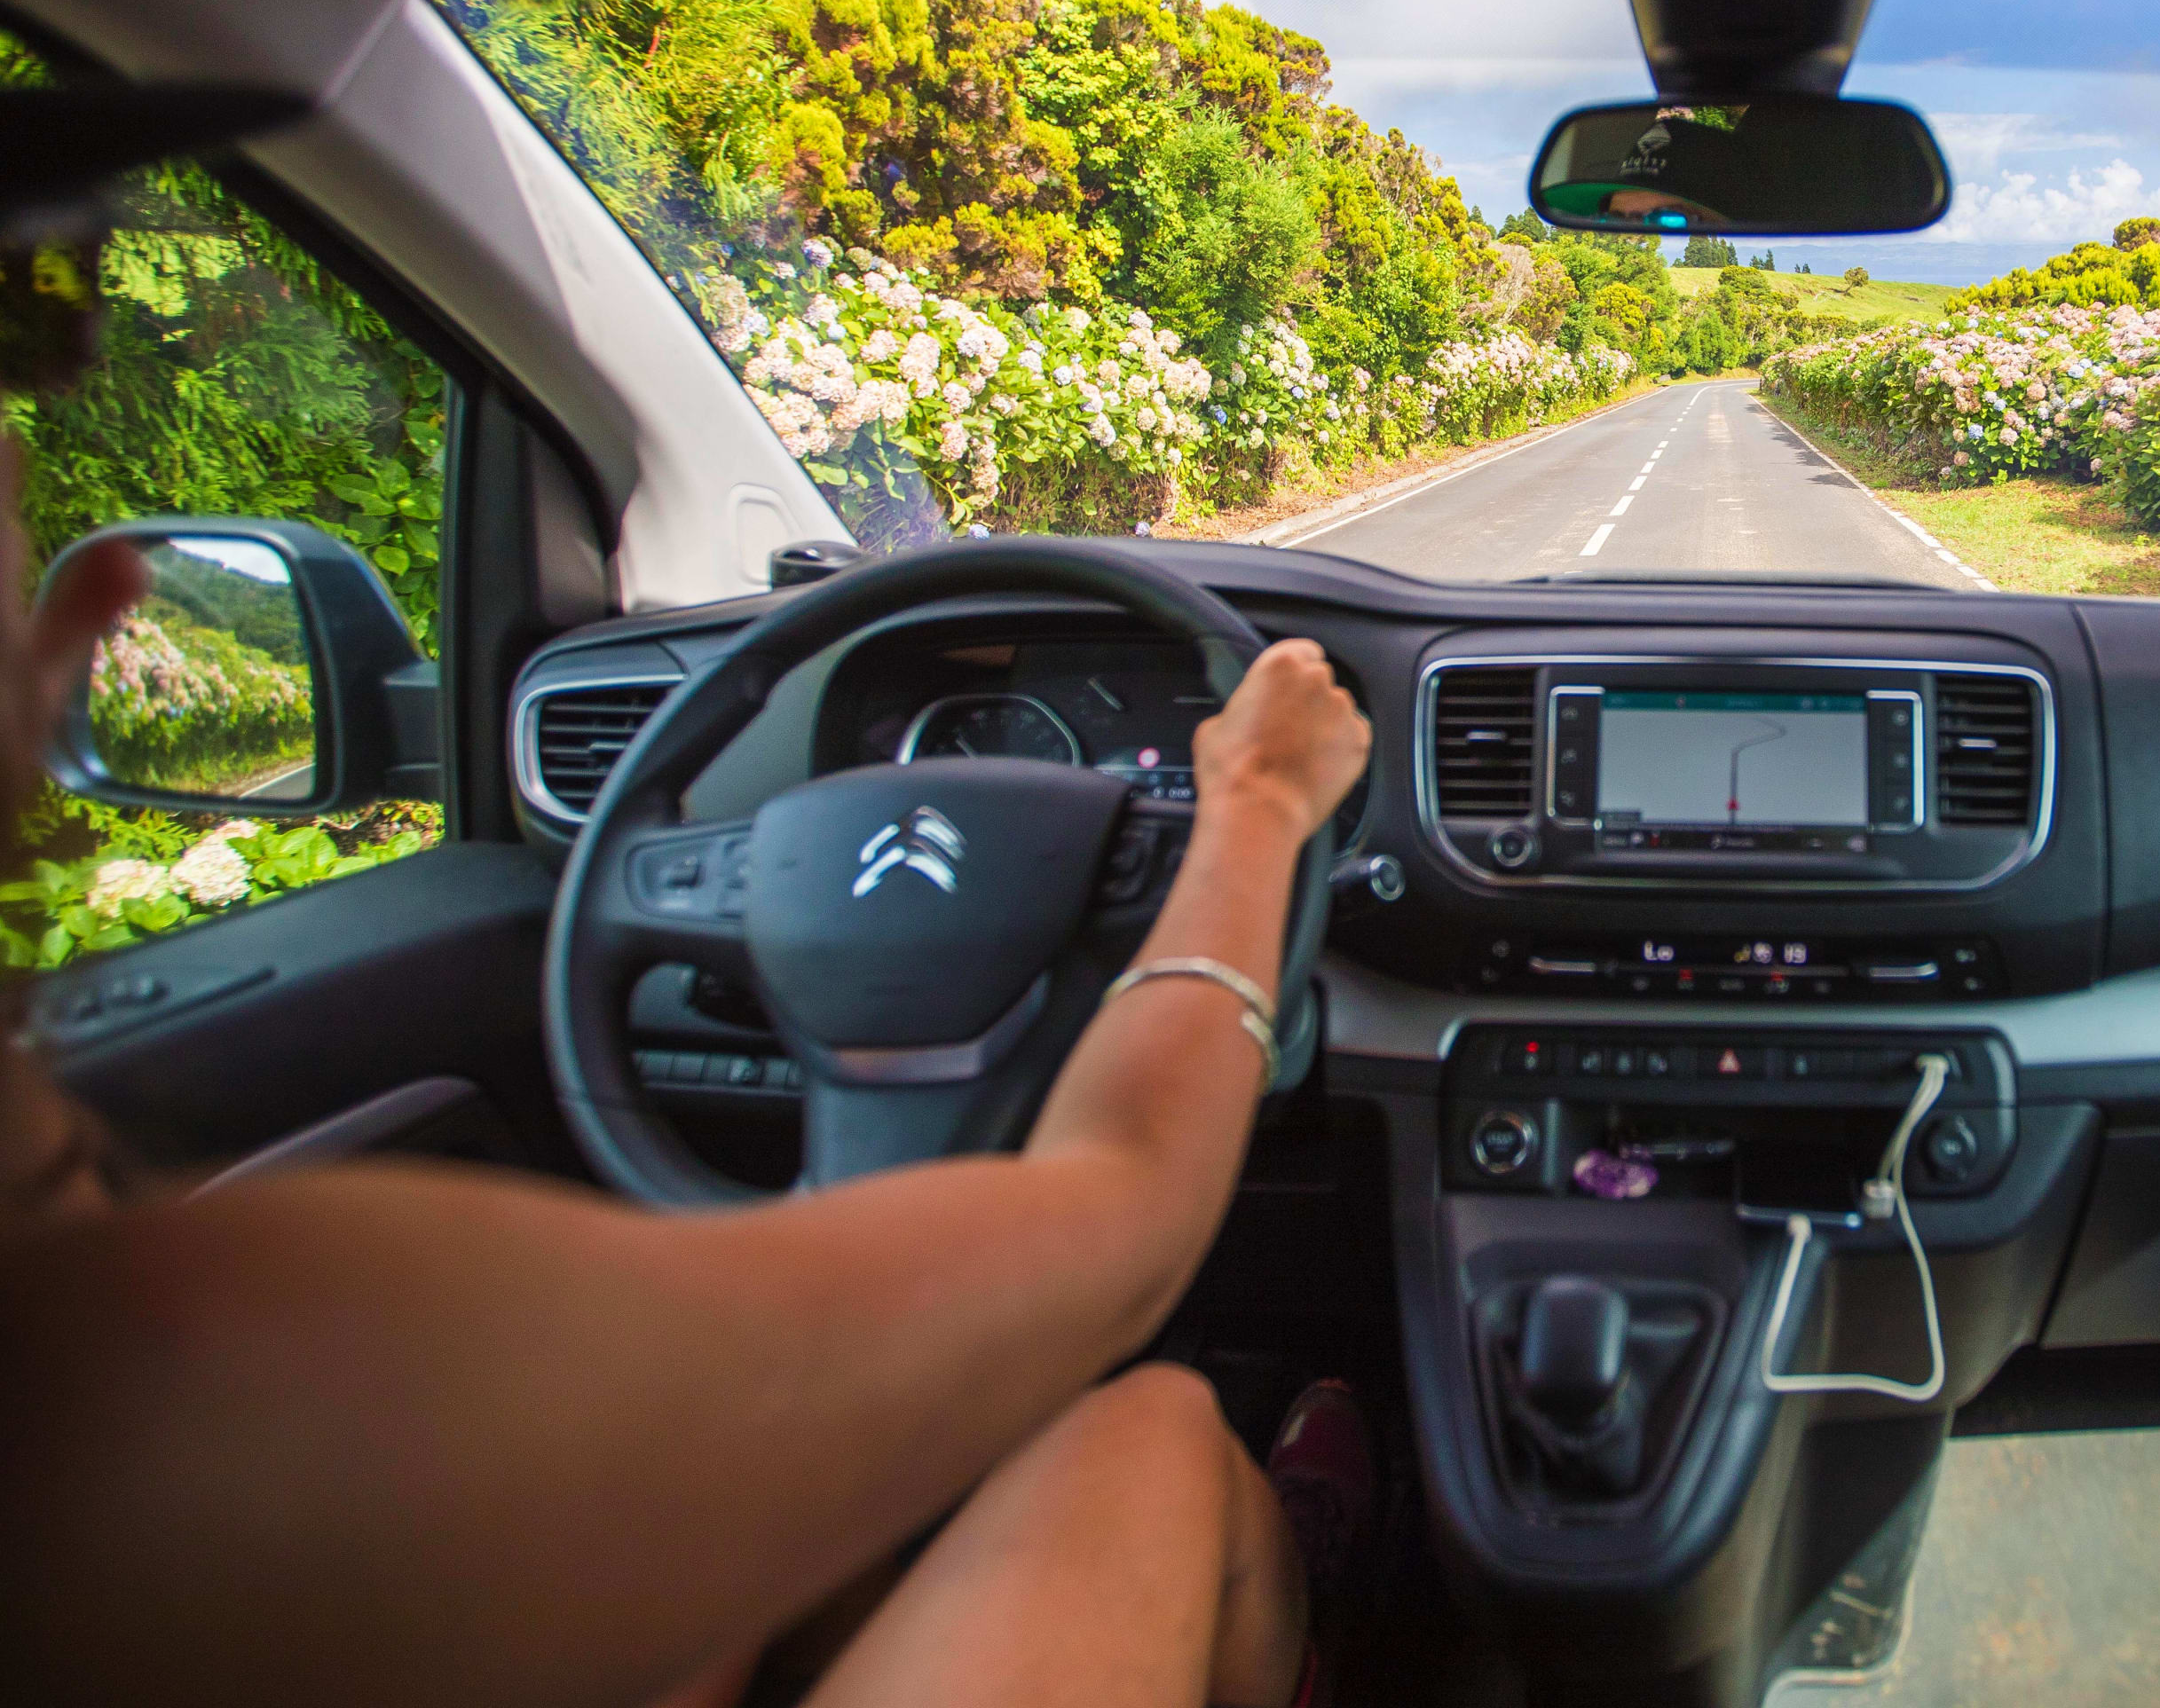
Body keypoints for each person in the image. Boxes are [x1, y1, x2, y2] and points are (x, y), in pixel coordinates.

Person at [0, 424, 1382, 1708]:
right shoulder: (177, 1360)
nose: (90, 588)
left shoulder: (130, 1387)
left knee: (794, 1531)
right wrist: (1255, 805)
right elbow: (1124, 1196)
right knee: (1147, 1431)